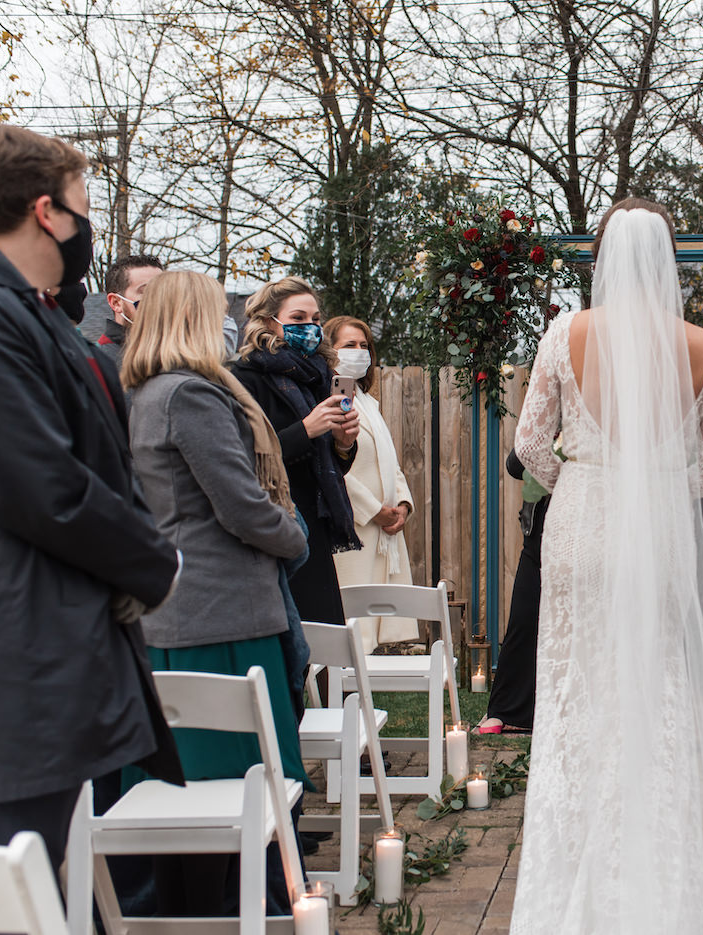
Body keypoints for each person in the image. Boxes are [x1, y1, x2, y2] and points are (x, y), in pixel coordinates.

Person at [0, 123, 182, 873]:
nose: (85, 223)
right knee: (7, 891)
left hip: (55, 644)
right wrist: (154, 563)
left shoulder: (29, 308)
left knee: (47, 887)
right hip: (10, 650)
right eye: (81, 204)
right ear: (44, 211)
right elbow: (39, 484)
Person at [510, 199, 703, 933]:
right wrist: (652, 492)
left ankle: (569, 882)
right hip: (664, 534)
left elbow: (530, 445)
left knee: (578, 691)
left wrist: (589, 475)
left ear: (603, 254)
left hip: (580, 525)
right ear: (669, 256)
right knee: (658, 692)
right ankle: (659, 888)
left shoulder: (564, 333)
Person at [122, 269, 311, 914]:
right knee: (243, 780)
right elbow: (240, 504)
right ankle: (258, 910)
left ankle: (184, 911)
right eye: (218, 313)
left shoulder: (147, 391)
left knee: (181, 786)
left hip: (174, 613)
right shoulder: (190, 396)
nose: (229, 323)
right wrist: (293, 535)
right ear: (194, 320)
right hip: (220, 616)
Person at [232, 277, 361, 626]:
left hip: (315, 525)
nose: (311, 328)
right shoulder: (245, 377)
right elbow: (246, 453)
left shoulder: (320, 376)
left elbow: (331, 465)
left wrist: (344, 443)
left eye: (316, 319)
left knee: (326, 646)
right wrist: (307, 429)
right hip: (276, 521)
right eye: (299, 319)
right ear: (269, 322)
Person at [322, 315, 419, 650]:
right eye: (349, 345)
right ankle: (339, 698)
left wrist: (402, 505)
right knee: (350, 629)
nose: (360, 352)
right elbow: (333, 463)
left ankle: (362, 700)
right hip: (354, 527)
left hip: (383, 531)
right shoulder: (326, 399)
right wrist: (375, 510)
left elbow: (387, 460)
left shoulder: (365, 400)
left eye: (364, 346)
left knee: (372, 631)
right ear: (330, 351)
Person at [477, 448, 549, 734]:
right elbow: (514, 463)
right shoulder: (550, 409)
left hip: (594, 521)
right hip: (541, 528)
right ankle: (505, 710)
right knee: (524, 615)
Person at [97, 254, 165, 368]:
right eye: (146, 291)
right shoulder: (101, 363)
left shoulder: (174, 355)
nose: (159, 299)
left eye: (163, 291)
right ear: (116, 302)